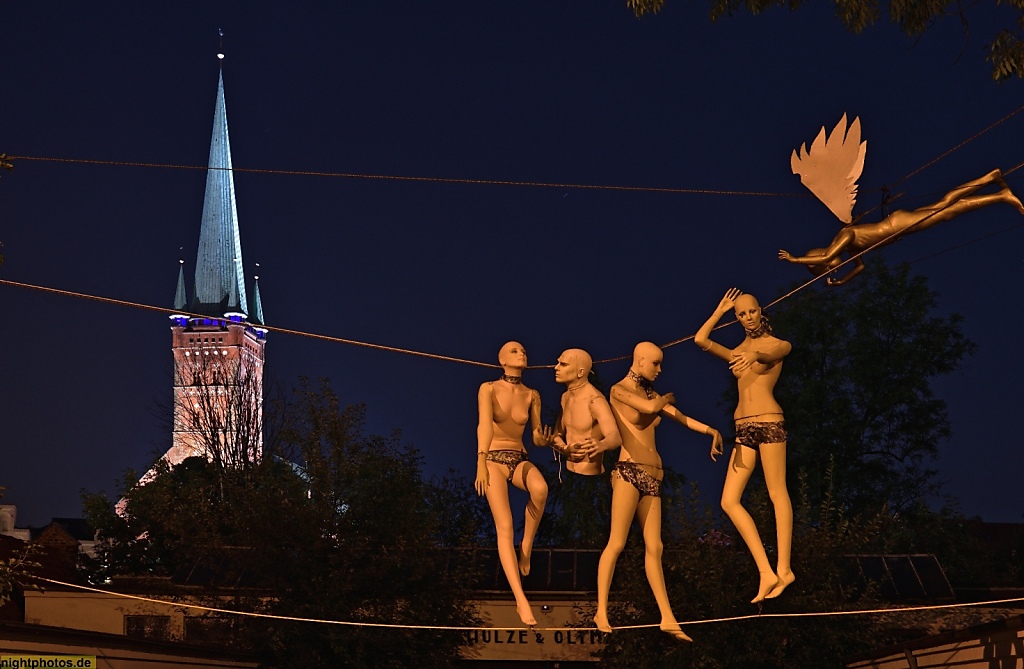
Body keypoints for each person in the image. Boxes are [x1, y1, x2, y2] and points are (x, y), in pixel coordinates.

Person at [594, 342, 723, 641]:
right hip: (629, 471)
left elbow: (678, 415)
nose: (660, 369)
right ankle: (601, 609)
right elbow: (652, 409)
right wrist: (663, 399)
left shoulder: (651, 393)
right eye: (655, 364)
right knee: (617, 542)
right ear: (639, 361)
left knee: (657, 547)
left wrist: (710, 431)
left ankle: (667, 617)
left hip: (654, 477)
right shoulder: (619, 390)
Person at [695, 289, 795, 603]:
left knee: (776, 491)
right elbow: (700, 340)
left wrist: (755, 355)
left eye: (750, 311)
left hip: (769, 421)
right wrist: (719, 310)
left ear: (760, 311)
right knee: (729, 500)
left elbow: (778, 352)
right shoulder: (739, 349)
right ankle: (765, 571)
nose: (746, 317)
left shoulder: (774, 344)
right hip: (743, 428)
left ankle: (784, 567)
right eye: (740, 314)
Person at [779, 169, 1024, 285]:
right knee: (945, 205)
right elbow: (861, 268)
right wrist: (843, 281)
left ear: (819, 261)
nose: (832, 269)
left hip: (898, 225)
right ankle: (989, 180)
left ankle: (1001, 196)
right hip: (898, 225)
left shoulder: (844, 236)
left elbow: (828, 256)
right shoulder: (850, 249)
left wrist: (794, 260)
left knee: (948, 211)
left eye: (826, 270)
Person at [475, 341, 552, 626]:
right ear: (502, 359)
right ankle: (520, 599)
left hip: (518, 458)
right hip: (493, 459)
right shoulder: (488, 388)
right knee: (505, 526)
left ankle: (527, 545)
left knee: (541, 489)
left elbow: (534, 434)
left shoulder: (532, 394)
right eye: (515, 351)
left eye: (523, 350)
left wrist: (542, 440)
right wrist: (481, 461)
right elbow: (483, 424)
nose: (523, 353)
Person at [551, 348, 621, 475]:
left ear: (580, 372)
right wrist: (565, 449)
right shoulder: (565, 397)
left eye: (563, 364)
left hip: (590, 475)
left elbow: (615, 437)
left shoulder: (595, 400)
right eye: (558, 363)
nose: (556, 367)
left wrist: (601, 445)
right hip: (569, 473)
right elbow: (557, 435)